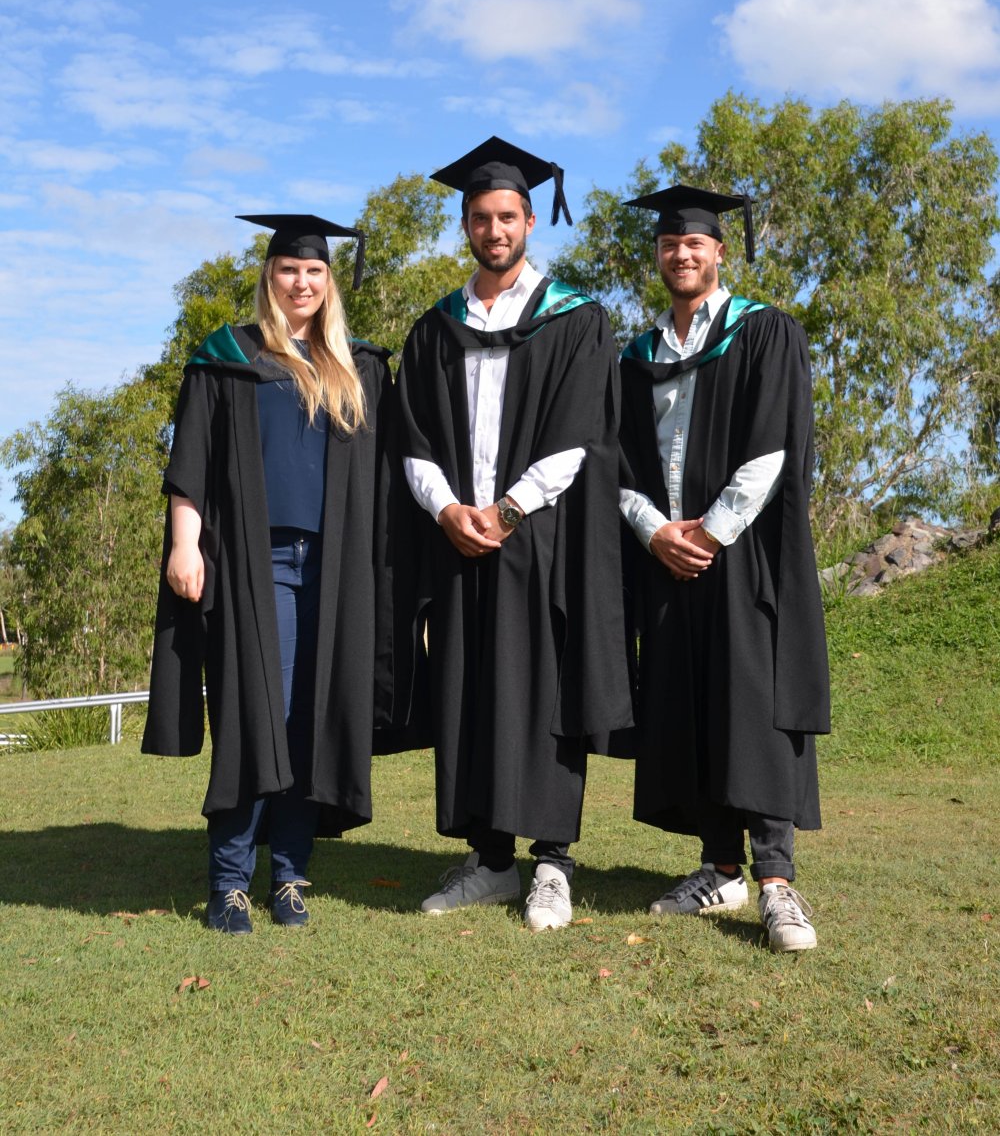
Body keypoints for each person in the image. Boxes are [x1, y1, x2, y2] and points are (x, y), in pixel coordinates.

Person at [143, 214, 418, 933]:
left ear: (329, 282)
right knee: (250, 713)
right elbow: (191, 465)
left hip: (333, 571)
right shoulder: (227, 357)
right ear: (270, 277)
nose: (302, 281)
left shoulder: (355, 368)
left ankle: (290, 875)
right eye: (289, 269)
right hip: (253, 566)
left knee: (310, 721)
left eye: (315, 271)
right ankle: (229, 881)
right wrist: (185, 545)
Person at [396, 137, 634, 932]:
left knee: (545, 694)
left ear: (531, 220)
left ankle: (553, 864)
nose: (493, 229)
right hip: (459, 537)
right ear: (464, 224)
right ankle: (490, 859)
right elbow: (413, 440)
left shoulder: (574, 321)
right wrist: (448, 512)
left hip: (540, 540)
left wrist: (506, 511)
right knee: (471, 691)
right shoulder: (434, 329)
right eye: (480, 217)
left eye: (507, 216)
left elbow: (578, 436)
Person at [618, 185, 829, 952]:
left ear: (719, 251)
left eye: (695, 243)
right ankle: (718, 866)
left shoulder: (764, 333)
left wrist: (706, 533)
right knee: (692, 708)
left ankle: (776, 882)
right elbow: (618, 461)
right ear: (659, 254)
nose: (682, 253)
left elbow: (774, 447)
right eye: (670, 243)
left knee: (752, 707)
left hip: (740, 557)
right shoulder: (635, 357)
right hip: (665, 558)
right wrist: (653, 532)